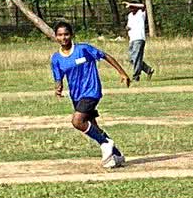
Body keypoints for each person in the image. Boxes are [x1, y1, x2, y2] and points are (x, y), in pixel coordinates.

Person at [50, 20, 132, 168]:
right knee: (93, 126)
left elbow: (105, 56)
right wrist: (58, 88)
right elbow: (58, 76)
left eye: (66, 34)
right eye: (60, 35)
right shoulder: (56, 58)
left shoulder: (83, 49)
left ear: (72, 35)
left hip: (91, 91)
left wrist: (122, 73)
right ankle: (117, 155)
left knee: (77, 121)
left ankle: (105, 143)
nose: (64, 38)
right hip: (76, 95)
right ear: (56, 37)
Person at [125, 1, 155, 82]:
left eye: (132, 7)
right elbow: (129, 25)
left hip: (139, 38)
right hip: (132, 39)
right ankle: (148, 70)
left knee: (136, 57)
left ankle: (136, 77)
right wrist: (127, 28)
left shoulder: (141, 13)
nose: (131, 9)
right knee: (132, 58)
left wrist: (131, 4)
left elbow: (143, 5)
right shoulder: (130, 16)